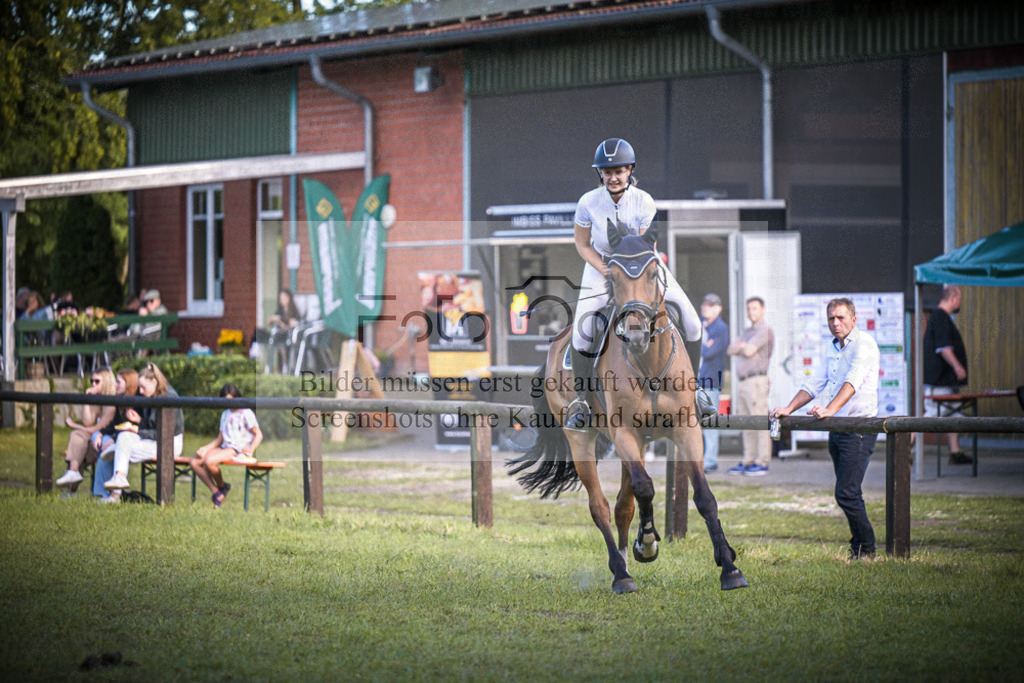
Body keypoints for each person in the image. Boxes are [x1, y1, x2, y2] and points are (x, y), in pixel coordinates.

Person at [565, 137, 702, 430]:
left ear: (630, 171)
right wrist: (604, 269)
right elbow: (582, 244)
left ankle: (697, 392)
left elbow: (642, 244)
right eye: (607, 171)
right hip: (601, 266)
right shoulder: (588, 202)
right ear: (600, 174)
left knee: (692, 322)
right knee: (582, 332)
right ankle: (583, 401)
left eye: (619, 171)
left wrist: (628, 273)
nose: (613, 177)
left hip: (642, 265)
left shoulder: (644, 200)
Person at [772, 298, 881, 560]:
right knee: (850, 493)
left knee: (846, 493)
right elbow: (814, 384)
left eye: (841, 318)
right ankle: (859, 548)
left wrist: (830, 409)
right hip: (837, 429)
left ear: (854, 320)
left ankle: (866, 549)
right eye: (831, 318)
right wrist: (789, 407)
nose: (835, 323)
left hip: (858, 428)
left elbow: (851, 381)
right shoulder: (832, 347)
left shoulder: (864, 344)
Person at [102, 362, 185, 502]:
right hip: (156, 440)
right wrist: (140, 420)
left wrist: (138, 429)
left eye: (142, 387)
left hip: (169, 444)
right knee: (124, 436)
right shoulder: (152, 396)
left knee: (123, 444)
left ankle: (115, 492)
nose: (140, 391)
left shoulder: (167, 398)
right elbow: (152, 426)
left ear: (154, 382)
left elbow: (163, 434)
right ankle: (119, 478)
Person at [191, 383, 263, 508]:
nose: (228, 404)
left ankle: (222, 487)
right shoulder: (225, 414)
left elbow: (259, 434)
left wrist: (250, 450)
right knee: (194, 462)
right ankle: (217, 491)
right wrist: (206, 448)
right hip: (224, 446)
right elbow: (220, 439)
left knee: (209, 462)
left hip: (236, 448)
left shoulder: (246, 412)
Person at [922, 285, 971, 465]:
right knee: (932, 416)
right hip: (940, 381)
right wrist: (958, 367)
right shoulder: (941, 318)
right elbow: (944, 349)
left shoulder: (941, 318)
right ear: (953, 299)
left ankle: (955, 452)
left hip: (945, 381)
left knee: (954, 415)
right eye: (959, 299)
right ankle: (906, 447)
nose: (960, 303)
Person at [726, 296, 775, 476]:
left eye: (755, 308)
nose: (751, 312)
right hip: (743, 382)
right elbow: (730, 349)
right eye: (749, 309)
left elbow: (749, 350)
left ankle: (762, 462)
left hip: (757, 381)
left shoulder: (764, 330)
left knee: (759, 422)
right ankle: (748, 460)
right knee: (746, 423)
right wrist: (742, 345)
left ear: (762, 310)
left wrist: (742, 346)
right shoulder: (748, 331)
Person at [55, 368, 117, 495]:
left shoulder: (112, 403)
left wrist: (74, 425)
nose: (93, 384)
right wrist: (87, 400)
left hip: (109, 442)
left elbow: (97, 428)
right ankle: (73, 472)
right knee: (78, 442)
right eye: (92, 381)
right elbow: (88, 422)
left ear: (107, 383)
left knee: (77, 438)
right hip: (97, 440)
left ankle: (71, 487)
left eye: (97, 381)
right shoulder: (98, 399)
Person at [90, 369, 139, 500]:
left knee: (108, 446)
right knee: (97, 437)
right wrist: (100, 433)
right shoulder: (120, 401)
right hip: (117, 437)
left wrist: (112, 439)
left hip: (131, 440)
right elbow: (113, 426)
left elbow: (132, 428)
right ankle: (103, 493)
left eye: (119, 382)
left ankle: (105, 494)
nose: (115, 385)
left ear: (128, 384)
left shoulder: (138, 403)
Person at [698, 293, 729, 472]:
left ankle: (710, 461)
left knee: (710, 423)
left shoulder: (721, 328)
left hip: (711, 382)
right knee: (696, 423)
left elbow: (710, 352)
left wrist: (700, 345)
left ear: (718, 308)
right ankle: (699, 459)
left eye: (710, 305)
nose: (705, 307)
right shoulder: (700, 325)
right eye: (704, 304)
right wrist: (704, 344)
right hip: (697, 381)